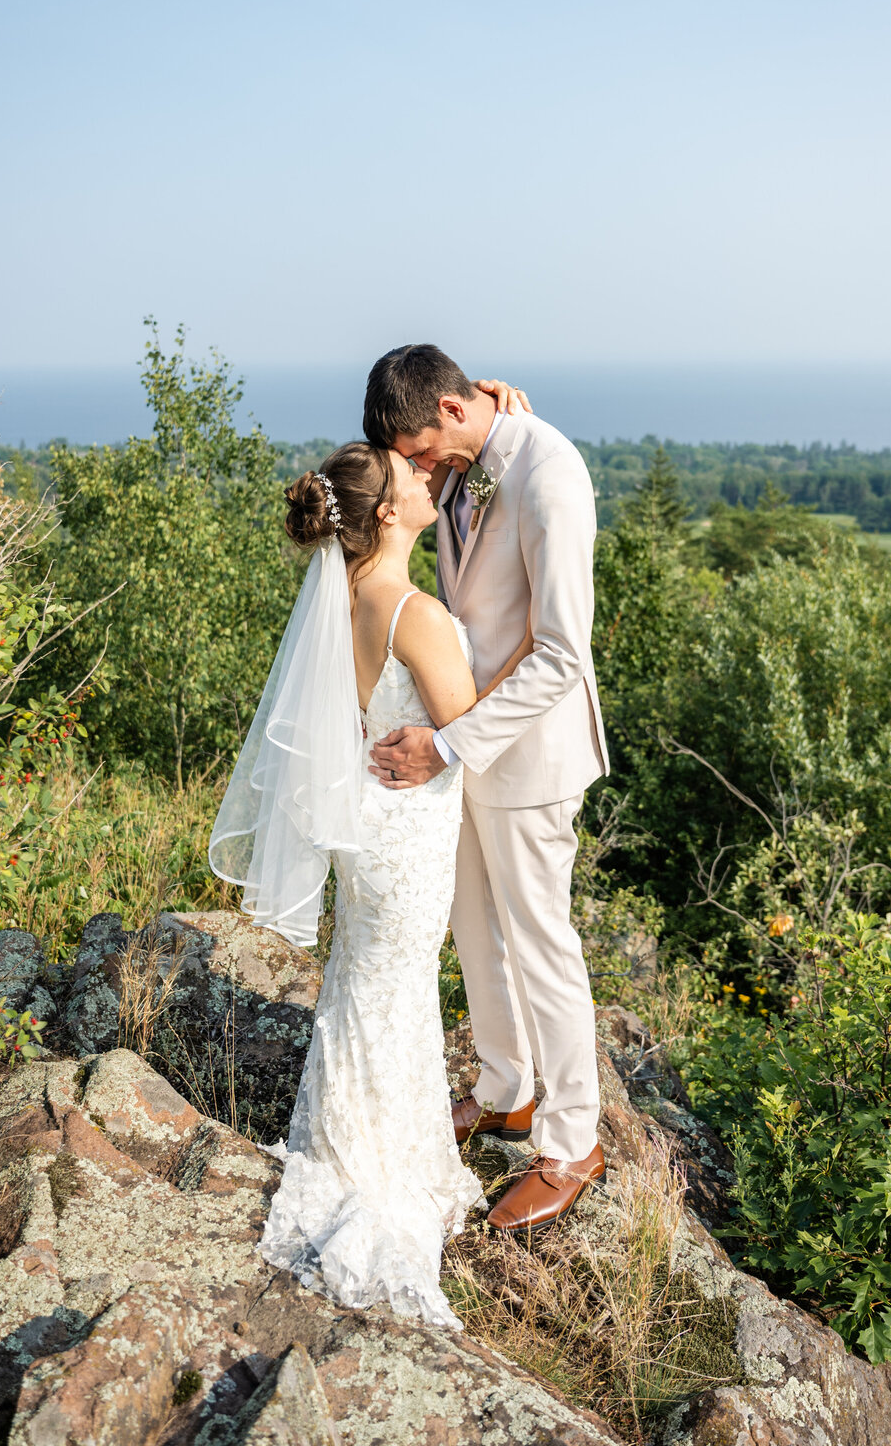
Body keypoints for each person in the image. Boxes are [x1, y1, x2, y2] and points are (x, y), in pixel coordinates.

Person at [209, 397, 529, 1327]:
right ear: (385, 514)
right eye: (411, 477)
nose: (426, 477)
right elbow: (475, 723)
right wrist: (541, 648)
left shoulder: (348, 600)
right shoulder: (414, 611)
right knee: (393, 989)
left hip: (371, 833)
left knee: (369, 982)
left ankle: (358, 1145)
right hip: (409, 829)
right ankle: (383, 1173)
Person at [364, 345, 609, 1237]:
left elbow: (560, 655)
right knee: (472, 924)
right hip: (463, 746)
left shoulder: (548, 476)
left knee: (542, 944)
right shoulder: (472, 452)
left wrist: (447, 744)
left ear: (455, 410)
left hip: (528, 758)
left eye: (424, 451)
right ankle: (504, 1090)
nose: (421, 470)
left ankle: (572, 1141)